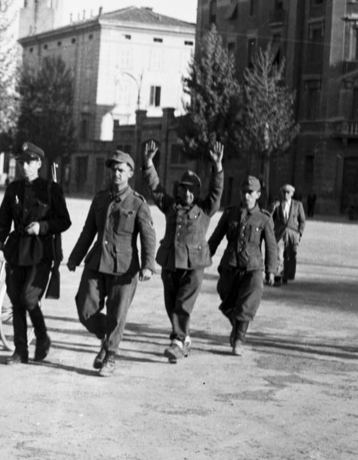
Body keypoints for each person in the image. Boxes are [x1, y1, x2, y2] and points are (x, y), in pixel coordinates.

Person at [67, 150, 156, 377]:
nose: (115, 173)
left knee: (117, 315)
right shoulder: (100, 198)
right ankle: (108, 338)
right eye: (113, 169)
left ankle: (111, 357)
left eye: (120, 170)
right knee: (85, 309)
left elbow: (148, 236)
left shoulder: (137, 203)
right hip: (97, 262)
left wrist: (148, 265)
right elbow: (88, 231)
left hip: (125, 268)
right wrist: (75, 257)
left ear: (130, 173)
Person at [142, 140, 224, 364]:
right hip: (170, 263)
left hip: (194, 265)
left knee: (183, 304)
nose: (187, 193)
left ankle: (177, 341)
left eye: (192, 189)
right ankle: (185, 337)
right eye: (184, 188)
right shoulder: (171, 206)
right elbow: (156, 188)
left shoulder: (205, 209)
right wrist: (149, 163)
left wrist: (217, 167)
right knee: (171, 305)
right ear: (179, 190)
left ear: (197, 192)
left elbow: (216, 192)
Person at [0, 142, 71, 365]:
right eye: (21, 162)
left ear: (39, 163)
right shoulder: (13, 189)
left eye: (29, 162)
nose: (24, 166)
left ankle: (42, 336)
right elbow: (2, 221)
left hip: (41, 253)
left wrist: (42, 227)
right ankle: (20, 350)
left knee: (28, 297)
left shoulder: (51, 190)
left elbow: (64, 221)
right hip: (16, 251)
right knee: (17, 302)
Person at [208, 176, 279, 356]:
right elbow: (216, 237)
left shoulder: (264, 218)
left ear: (258, 194)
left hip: (253, 267)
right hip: (230, 264)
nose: (246, 196)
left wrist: (271, 270)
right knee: (225, 294)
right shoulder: (230, 213)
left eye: (250, 193)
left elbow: (271, 246)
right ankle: (237, 328)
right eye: (244, 192)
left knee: (248, 302)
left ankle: (239, 339)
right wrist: (203, 256)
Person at [269, 184, 306, 286]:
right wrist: (272, 209)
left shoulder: (297, 205)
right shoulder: (277, 204)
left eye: (288, 192)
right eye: (284, 192)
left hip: (292, 234)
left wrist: (299, 233)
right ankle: (277, 277)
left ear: (292, 194)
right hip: (279, 233)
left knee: (290, 256)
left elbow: (302, 221)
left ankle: (286, 275)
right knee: (278, 255)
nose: (285, 194)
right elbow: (269, 218)